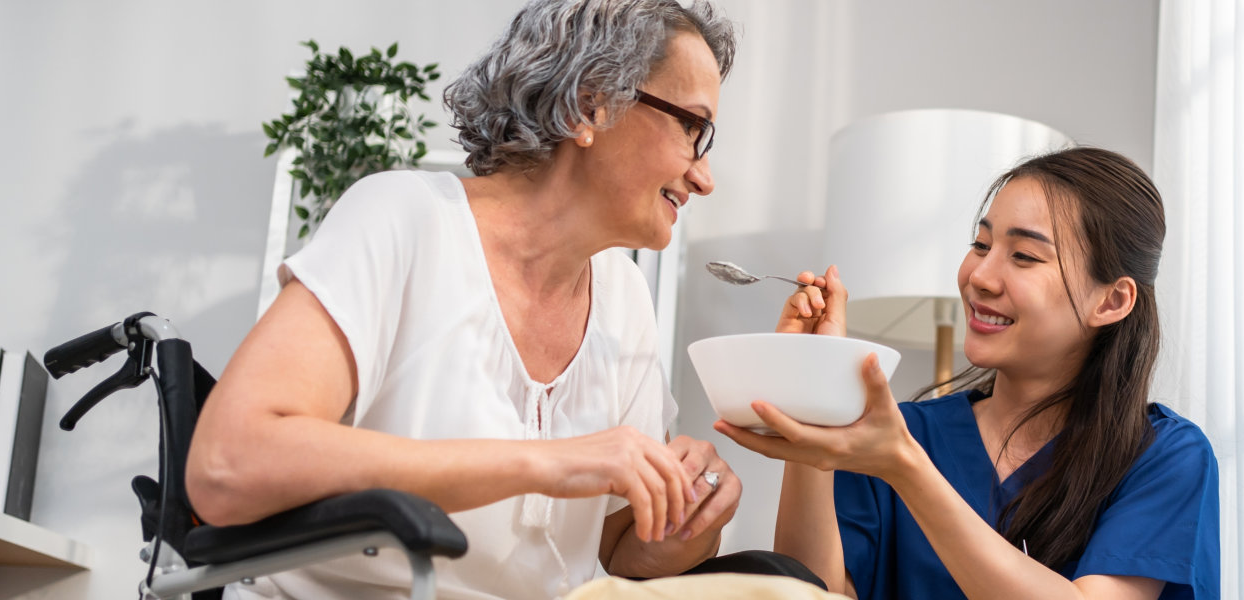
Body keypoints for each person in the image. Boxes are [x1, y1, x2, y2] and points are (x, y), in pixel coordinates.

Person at [186, 1, 806, 597]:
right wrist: (548, 463)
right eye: (692, 126)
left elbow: (621, 552)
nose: (704, 174)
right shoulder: (405, 219)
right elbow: (228, 464)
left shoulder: (624, 299)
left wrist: (686, 514)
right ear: (591, 105)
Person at [719, 147, 1219, 599]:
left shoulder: (1164, 456)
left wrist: (905, 468)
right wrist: (814, 394)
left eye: (1023, 256)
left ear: (1111, 300)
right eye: (981, 245)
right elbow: (814, 591)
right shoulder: (903, 432)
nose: (979, 276)